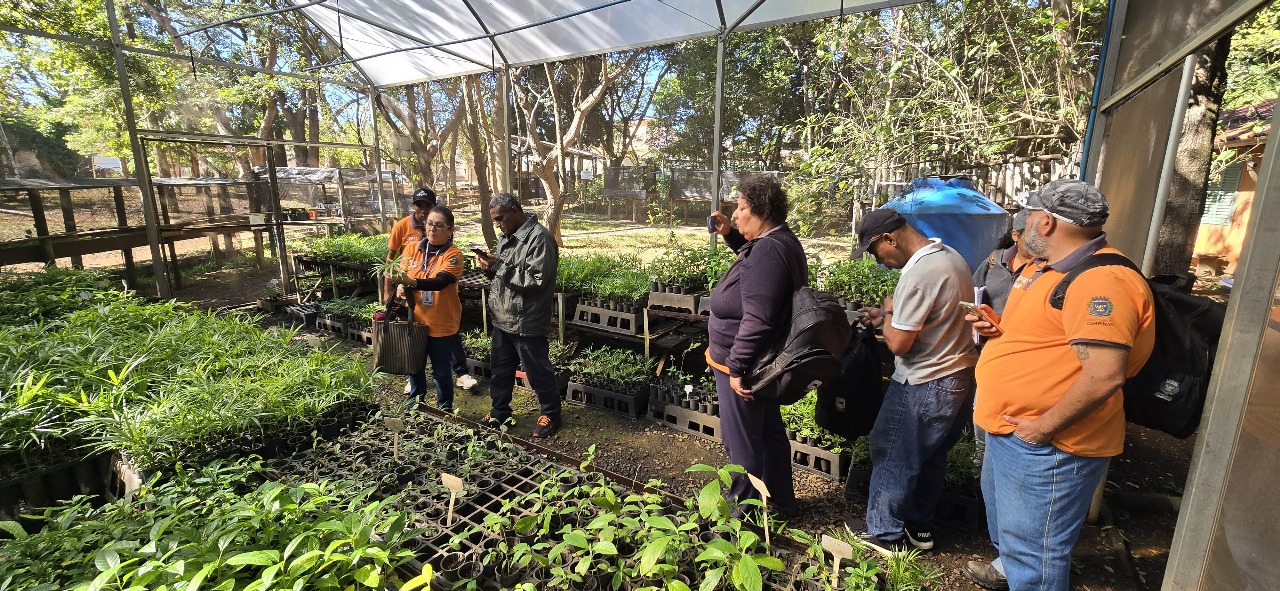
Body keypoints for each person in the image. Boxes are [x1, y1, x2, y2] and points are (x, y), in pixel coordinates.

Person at [963, 179, 1155, 591]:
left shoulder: (1101, 281)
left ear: (1046, 222)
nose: (1025, 223)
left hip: (1049, 445)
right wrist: (997, 330)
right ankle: (1007, 571)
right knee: (1014, 536)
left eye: (1029, 215)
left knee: (1038, 554)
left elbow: (1104, 374)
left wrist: (1041, 428)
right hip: (1012, 430)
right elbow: (1049, 339)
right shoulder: (1044, 269)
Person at [849, 208, 979, 553]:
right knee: (930, 455)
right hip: (956, 374)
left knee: (892, 451)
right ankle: (919, 527)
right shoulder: (950, 257)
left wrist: (890, 309)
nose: (880, 262)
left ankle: (884, 534)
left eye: (876, 252)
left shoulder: (920, 273)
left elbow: (899, 344)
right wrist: (888, 317)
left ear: (888, 238)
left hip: (924, 381)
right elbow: (931, 322)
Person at [706, 174, 803, 518]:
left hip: (746, 366)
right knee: (768, 432)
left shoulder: (768, 251)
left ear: (761, 211)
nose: (735, 213)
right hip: (763, 361)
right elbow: (759, 275)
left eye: (742, 208)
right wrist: (731, 237)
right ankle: (781, 500)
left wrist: (737, 367)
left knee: (742, 444)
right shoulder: (779, 241)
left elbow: (758, 317)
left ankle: (742, 521)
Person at [474, 193, 562, 438]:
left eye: (500, 218)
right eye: (494, 220)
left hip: (527, 319)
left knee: (537, 371)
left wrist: (498, 267)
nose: (497, 224)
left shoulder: (540, 239)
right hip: (503, 317)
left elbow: (535, 281)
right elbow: (505, 276)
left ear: (515, 210)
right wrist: (490, 269)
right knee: (500, 370)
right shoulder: (507, 237)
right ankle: (500, 410)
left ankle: (551, 413)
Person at [385, 187, 475, 392]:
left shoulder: (453, 255)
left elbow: (441, 281)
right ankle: (415, 405)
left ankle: (445, 409)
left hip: (440, 323)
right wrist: (399, 286)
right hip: (414, 320)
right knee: (414, 368)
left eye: (439, 225)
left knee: (441, 372)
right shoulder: (411, 249)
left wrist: (412, 283)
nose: (433, 228)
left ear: (450, 230)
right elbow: (402, 274)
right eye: (430, 224)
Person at [972, 208, 1032, 315]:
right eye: (1033, 236)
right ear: (1015, 235)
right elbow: (973, 291)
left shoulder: (1046, 268)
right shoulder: (994, 260)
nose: (1040, 241)